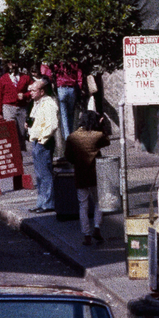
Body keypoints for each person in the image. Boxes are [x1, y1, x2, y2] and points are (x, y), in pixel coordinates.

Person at [65, 105, 111, 246]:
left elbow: (68, 157)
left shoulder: (72, 137)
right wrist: (102, 125)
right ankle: (97, 227)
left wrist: (77, 162)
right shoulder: (97, 136)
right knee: (99, 202)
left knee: (83, 205)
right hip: (96, 174)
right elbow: (107, 140)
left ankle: (86, 235)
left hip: (81, 175)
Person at [26, 77, 58, 213]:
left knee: (45, 174)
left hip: (43, 142)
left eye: (34, 90)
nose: (31, 93)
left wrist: (42, 139)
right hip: (36, 140)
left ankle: (48, 203)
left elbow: (52, 124)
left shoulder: (49, 103)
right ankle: (41, 202)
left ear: (42, 91)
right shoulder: (37, 103)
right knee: (39, 175)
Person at [41, 62, 83, 140]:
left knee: (64, 115)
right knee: (71, 114)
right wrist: (79, 87)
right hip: (72, 88)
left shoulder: (56, 63)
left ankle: (67, 137)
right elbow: (79, 75)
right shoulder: (73, 63)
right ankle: (71, 135)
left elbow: (48, 74)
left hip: (61, 88)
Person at [0, 61, 33, 149]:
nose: (13, 65)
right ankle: (14, 155)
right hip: (8, 107)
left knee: (21, 133)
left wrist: (25, 95)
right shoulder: (3, 78)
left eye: (15, 63)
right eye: (10, 63)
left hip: (22, 108)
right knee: (11, 132)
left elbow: (33, 90)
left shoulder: (25, 78)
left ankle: (19, 153)